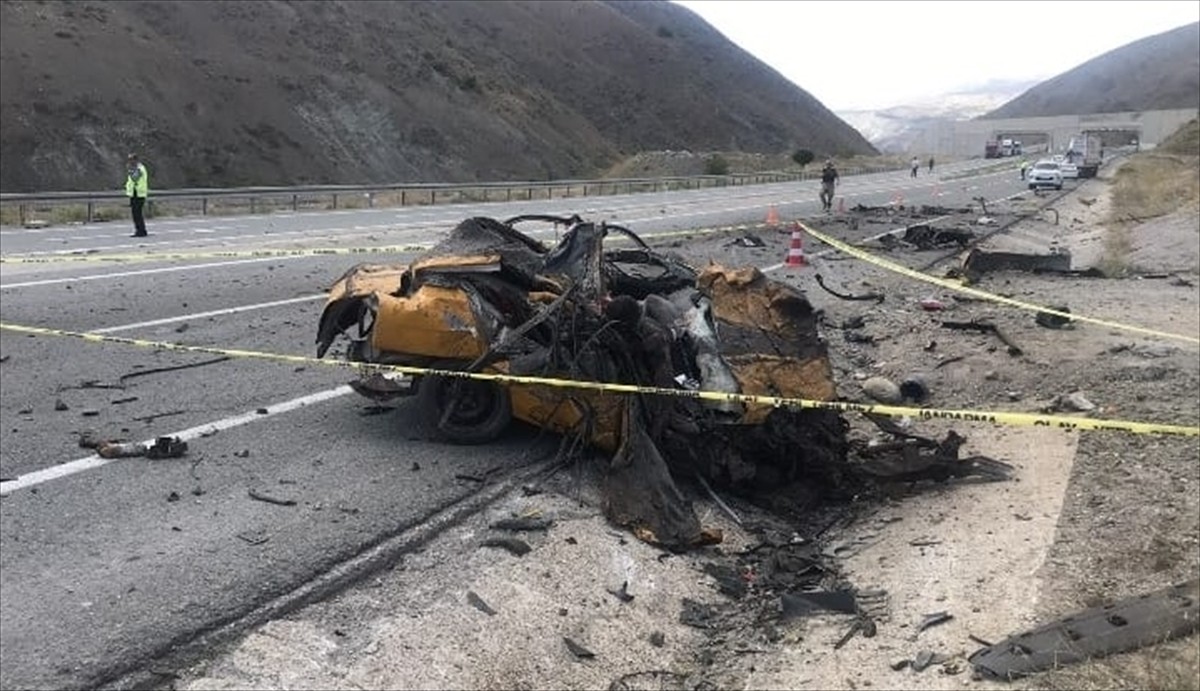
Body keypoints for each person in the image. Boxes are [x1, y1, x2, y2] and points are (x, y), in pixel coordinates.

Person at [125, 153, 149, 237]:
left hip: (139, 194)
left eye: (131, 160)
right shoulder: (136, 168)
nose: (130, 162)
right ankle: (139, 229)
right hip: (134, 193)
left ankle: (141, 231)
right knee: (135, 213)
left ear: (135, 160)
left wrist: (130, 170)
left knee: (137, 213)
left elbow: (135, 177)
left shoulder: (140, 168)